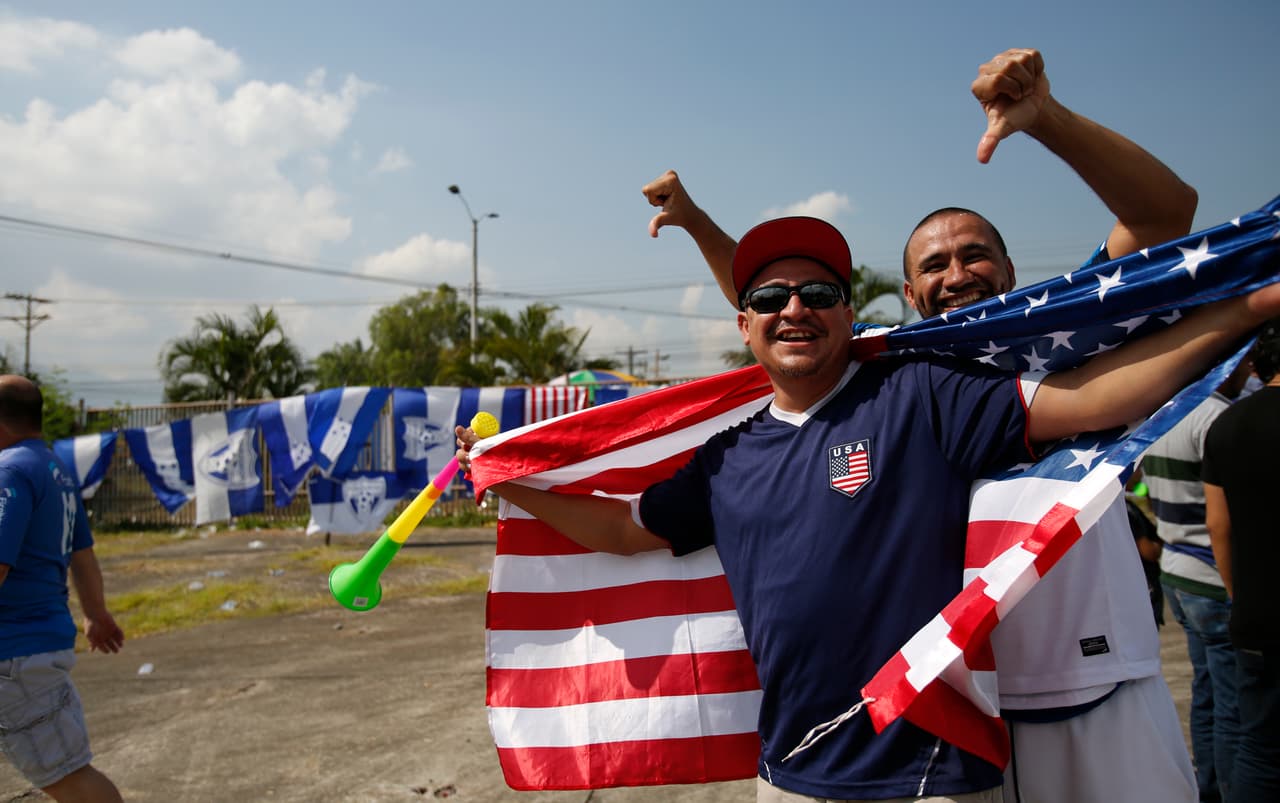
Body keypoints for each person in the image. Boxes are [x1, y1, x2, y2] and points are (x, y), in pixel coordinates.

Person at [460, 214, 1280, 801]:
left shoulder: (919, 396)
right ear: (744, 325)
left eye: (818, 290)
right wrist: (510, 481)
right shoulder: (727, 459)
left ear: (852, 313)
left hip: (930, 774)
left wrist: (1244, 311)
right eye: (771, 297)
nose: (795, 307)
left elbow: (1094, 398)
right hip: (789, 776)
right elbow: (618, 527)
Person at [641, 47, 1198, 802]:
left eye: (975, 255)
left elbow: (1166, 217)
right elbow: (781, 303)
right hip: (962, 707)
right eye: (934, 265)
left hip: (1089, 681)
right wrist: (699, 223)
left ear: (1010, 269)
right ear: (907, 291)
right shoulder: (895, 371)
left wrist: (1047, 121)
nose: (956, 274)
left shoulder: (1064, 333)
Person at [0, 375, 124, 803]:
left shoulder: (10, 471)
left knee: (71, 779)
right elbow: (82, 554)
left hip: (14, 653)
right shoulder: (55, 470)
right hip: (32, 646)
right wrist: (95, 615)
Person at [1142, 359, 1254, 802]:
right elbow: (1225, 516)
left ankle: (1207, 786)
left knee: (1206, 695)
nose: (1248, 365)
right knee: (1233, 707)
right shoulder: (1215, 419)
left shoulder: (1165, 412)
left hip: (1176, 570)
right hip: (1210, 574)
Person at [1203, 320, 1280, 803]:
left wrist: (1238, 596)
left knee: (1260, 747)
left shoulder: (1227, 422)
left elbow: (1218, 525)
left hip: (1257, 615)